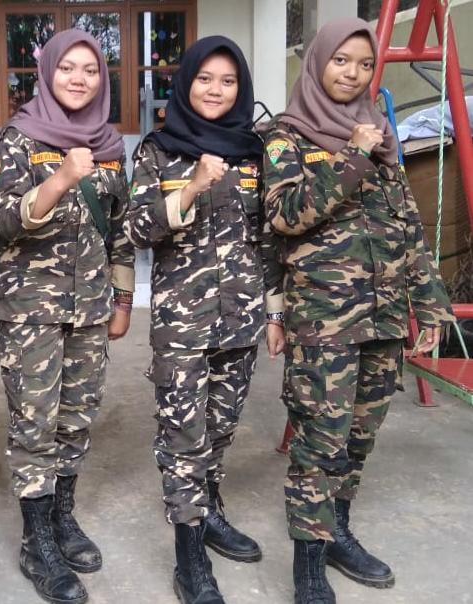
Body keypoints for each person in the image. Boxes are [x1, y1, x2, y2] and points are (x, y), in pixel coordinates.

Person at [263, 18, 455, 604]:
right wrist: (350, 155)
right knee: (319, 444)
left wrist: (431, 306)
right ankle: (308, 563)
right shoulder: (286, 138)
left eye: (365, 64)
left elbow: (408, 228)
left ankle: (338, 533)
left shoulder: (379, 133)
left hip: (384, 317)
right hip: (326, 323)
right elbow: (285, 216)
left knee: (359, 439)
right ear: (317, 63)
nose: (352, 73)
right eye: (341, 60)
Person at [126, 35, 280, 604]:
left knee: (220, 428)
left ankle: (209, 511)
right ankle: (189, 555)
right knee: (183, 436)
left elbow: (269, 240)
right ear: (185, 83)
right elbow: (137, 228)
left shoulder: (255, 151)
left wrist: (275, 312)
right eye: (205, 79)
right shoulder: (158, 150)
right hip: (183, 325)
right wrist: (190, 189)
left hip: (241, 320)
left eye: (228, 81)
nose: (215, 90)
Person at [0, 29, 134, 604]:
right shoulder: (20, 139)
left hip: (91, 308)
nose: (79, 79)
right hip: (31, 311)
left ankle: (62, 517)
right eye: (67, 68)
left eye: (90, 70)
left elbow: (121, 232)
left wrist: (122, 301)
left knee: (76, 418)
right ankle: (37, 540)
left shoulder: (110, 145)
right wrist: (62, 179)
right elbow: (4, 222)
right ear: (47, 73)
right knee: (35, 424)